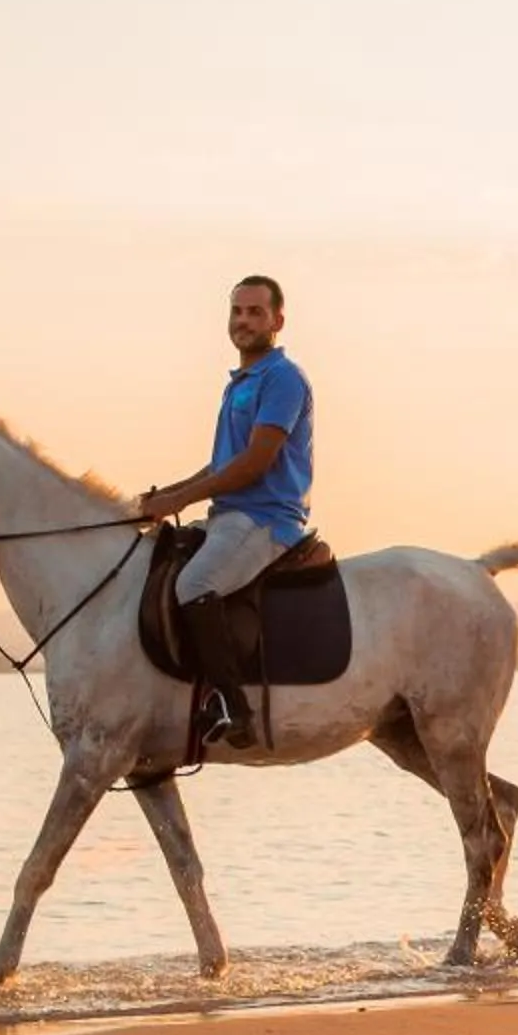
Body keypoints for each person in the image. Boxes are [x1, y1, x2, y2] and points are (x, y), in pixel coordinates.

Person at [137, 274, 317, 748]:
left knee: (194, 584)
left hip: (266, 519)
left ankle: (233, 708)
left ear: (278, 320)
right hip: (230, 516)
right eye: (237, 311)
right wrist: (163, 498)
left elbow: (256, 463)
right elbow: (222, 465)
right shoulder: (239, 383)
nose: (244, 321)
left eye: (255, 312)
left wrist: (180, 501)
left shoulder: (283, 379)